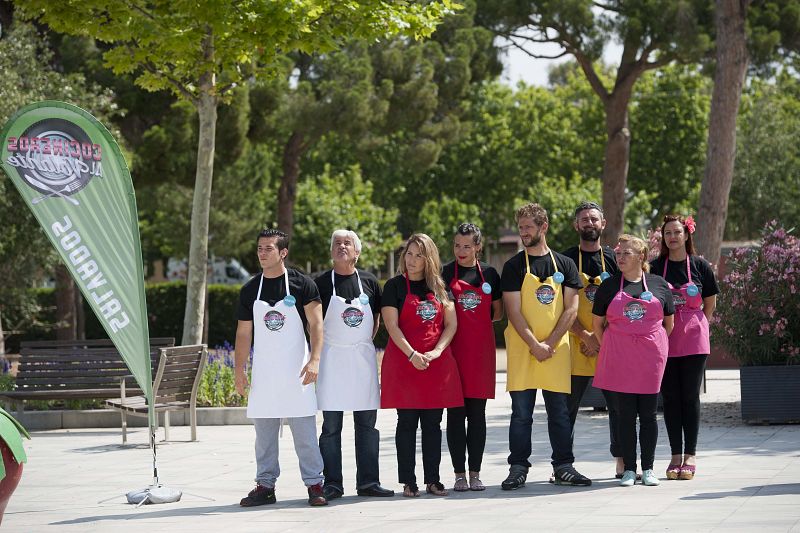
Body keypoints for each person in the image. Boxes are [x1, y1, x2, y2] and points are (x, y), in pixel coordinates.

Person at [501, 203, 591, 489]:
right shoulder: (514, 266)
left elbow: (571, 309)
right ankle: (518, 468)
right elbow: (514, 312)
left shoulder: (565, 264)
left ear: (544, 227)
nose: (523, 233)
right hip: (523, 349)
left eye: (528, 227)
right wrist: (534, 344)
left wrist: (549, 344)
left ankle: (564, 466)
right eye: (521, 228)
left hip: (555, 351)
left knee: (560, 413)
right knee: (521, 414)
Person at [235, 229, 327, 507]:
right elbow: (243, 333)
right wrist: (239, 370)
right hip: (264, 375)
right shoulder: (251, 289)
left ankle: (315, 484)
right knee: (263, 437)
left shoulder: (302, 284)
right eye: (260, 249)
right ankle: (265, 485)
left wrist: (315, 359)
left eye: (268, 249)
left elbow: (316, 325)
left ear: (283, 252)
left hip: (297, 372)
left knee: (306, 436)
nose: (262, 253)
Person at [381, 233, 463, 497]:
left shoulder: (440, 287)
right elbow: (391, 326)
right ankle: (408, 481)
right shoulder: (393, 287)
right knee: (406, 423)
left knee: (432, 424)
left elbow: (451, 324)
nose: (412, 260)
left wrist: (438, 351)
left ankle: (433, 480)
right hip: (405, 364)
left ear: (429, 259)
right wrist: (412, 354)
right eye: (409, 254)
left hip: (435, 366)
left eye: (418, 255)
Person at [314, 229, 394, 500]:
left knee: (367, 425)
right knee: (331, 426)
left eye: (347, 243)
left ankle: (369, 482)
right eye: (336, 243)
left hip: (362, 361)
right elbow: (312, 323)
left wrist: (357, 343)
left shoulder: (370, 282)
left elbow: (376, 320)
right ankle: (332, 484)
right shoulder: (321, 283)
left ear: (357, 251)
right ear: (331, 250)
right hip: (331, 360)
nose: (342, 247)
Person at [592, 235, 675, 487]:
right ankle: (629, 469)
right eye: (618, 253)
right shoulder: (608, 286)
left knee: (648, 415)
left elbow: (668, 324)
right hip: (620, 359)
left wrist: (651, 343)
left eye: (626, 253)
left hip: (650, 361)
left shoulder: (659, 284)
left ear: (642, 256)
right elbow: (598, 324)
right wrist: (617, 343)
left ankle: (648, 468)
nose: (620, 257)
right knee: (625, 415)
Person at [650, 215, 718, 481]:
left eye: (677, 232)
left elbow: (710, 303)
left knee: (690, 396)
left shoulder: (700, 265)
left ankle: (690, 454)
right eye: (668, 233)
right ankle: (675, 454)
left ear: (687, 235)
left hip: (693, 339)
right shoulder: (654, 268)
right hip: (663, 338)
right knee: (669, 398)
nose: (673, 237)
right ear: (663, 238)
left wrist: (696, 324)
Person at [561, 202, 624, 478]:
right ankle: (562, 463)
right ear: (576, 225)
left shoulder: (614, 260)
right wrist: (584, 335)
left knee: (618, 408)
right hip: (575, 345)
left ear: (603, 224)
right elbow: (558, 308)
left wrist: (599, 336)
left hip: (608, 344)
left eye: (593, 219)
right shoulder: (563, 261)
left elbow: (623, 302)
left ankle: (623, 461)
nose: (589, 223)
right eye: (583, 219)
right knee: (567, 409)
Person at [442, 223, 503, 492]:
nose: (461, 251)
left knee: (477, 415)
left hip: (480, 354)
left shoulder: (490, 274)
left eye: (467, 246)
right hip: (453, 353)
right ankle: (458, 475)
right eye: (457, 245)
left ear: (478, 246)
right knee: (455, 415)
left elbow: (498, 312)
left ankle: (476, 473)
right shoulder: (444, 273)